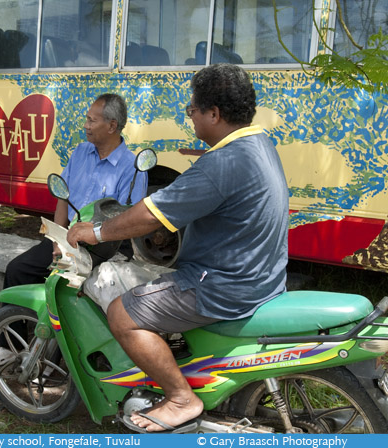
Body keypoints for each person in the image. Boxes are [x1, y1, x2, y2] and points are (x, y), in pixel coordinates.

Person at [67, 64, 289, 433]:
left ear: (214, 114)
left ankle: (181, 398)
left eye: (192, 111)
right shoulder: (260, 144)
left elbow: (151, 214)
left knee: (123, 313)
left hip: (224, 285)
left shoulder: (223, 162)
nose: (191, 118)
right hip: (261, 276)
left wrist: (100, 230)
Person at [3, 93, 148, 288]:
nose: (86, 125)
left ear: (112, 126)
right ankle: (17, 319)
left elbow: (129, 220)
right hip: (68, 239)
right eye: (86, 119)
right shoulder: (80, 152)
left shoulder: (130, 167)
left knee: (68, 288)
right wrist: (57, 240)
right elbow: (63, 198)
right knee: (18, 271)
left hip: (104, 246)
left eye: (91, 121)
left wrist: (88, 240)